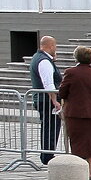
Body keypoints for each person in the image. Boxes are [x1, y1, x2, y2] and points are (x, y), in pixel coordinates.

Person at [57, 46, 91, 180]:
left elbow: (62, 92)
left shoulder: (70, 72)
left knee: (77, 143)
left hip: (75, 112)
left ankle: (79, 173)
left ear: (76, 57)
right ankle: (90, 174)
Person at [29, 35, 62, 165]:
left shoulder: (39, 58)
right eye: (55, 46)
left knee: (48, 127)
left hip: (42, 98)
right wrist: (55, 100)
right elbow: (48, 83)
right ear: (51, 46)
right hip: (46, 100)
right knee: (51, 128)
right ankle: (47, 155)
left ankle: (47, 153)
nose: (56, 48)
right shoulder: (44, 61)